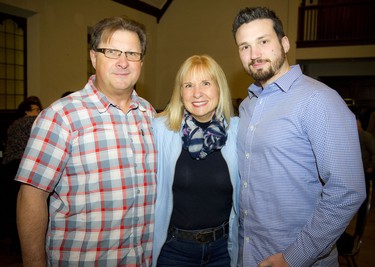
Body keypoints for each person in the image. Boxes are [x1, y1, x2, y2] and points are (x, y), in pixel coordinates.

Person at [15, 16, 156, 266]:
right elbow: (32, 196)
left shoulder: (149, 114)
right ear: (93, 58)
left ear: (141, 62)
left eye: (132, 54)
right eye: (112, 52)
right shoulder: (61, 116)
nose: (123, 62)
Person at [232, 7, 366, 267]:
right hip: (248, 253)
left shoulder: (319, 100)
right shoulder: (248, 106)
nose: (254, 54)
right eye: (244, 47)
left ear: (284, 43)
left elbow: (347, 191)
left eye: (263, 41)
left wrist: (293, 257)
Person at [152, 55, 239, 266]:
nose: (197, 93)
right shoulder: (161, 130)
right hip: (174, 251)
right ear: (180, 93)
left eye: (206, 83)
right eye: (188, 85)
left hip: (222, 250)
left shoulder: (238, 131)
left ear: (220, 88)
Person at [2, 96, 42, 252]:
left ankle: (15, 243)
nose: (39, 112)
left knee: (14, 206)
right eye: (36, 110)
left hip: (7, 167)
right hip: (21, 165)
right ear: (27, 111)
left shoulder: (13, 124)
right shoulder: (30, 122)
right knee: (28, 205)